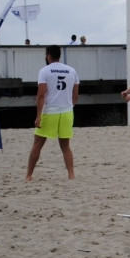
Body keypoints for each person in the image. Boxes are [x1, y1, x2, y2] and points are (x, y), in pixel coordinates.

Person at [25, 45, 79, 181]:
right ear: (59, 55)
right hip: (67, 112)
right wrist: (69, 107)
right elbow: (76, 95)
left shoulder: (45, 71)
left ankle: (29, 175)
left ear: (48, 55)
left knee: (38, 143)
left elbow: (41, 95)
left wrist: (38, 116)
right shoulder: (72, 71)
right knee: (66, 146)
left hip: (50, 112)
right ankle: (71, 175)